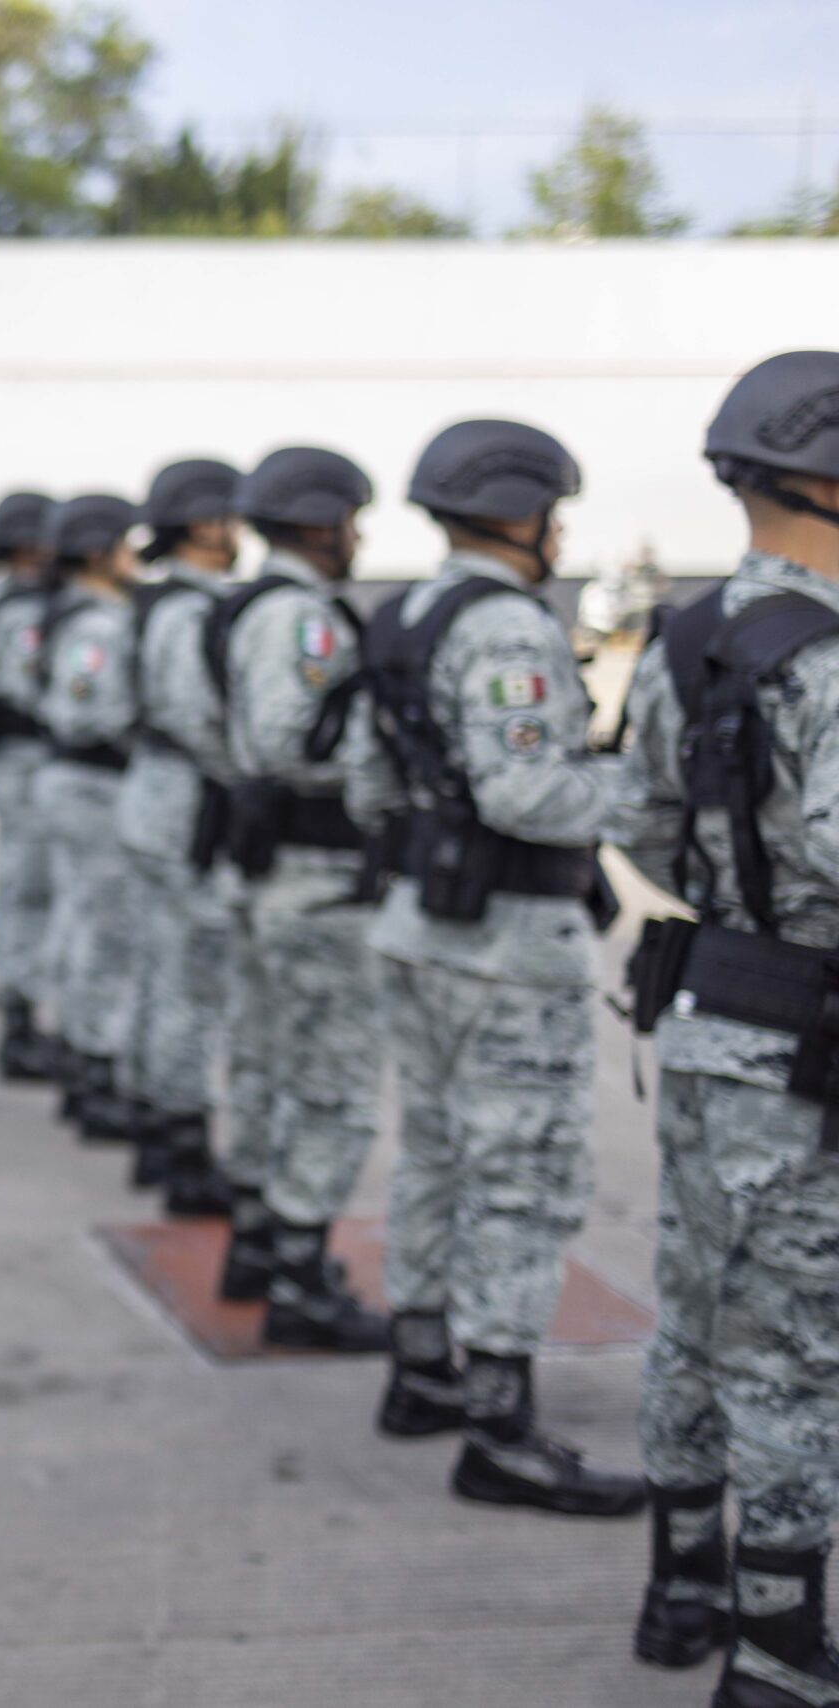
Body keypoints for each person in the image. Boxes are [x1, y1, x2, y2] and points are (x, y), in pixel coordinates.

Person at [340, 418, 641, 1517]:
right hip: (507, 940)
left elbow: (367, 780)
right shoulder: (510, 625)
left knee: (431, 1151)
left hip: (418, 922)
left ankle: (422, 1369)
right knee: (520, 1174)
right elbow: (527, 795)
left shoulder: (405, 612)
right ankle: (500, 1426)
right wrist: (654, 799)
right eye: (551, 508)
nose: (557, 529)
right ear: (517, 507)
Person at [607, 350, 839, 1699]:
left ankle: (680, 1586)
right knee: (800, 1344)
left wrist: (735, 903)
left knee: (693, 1311)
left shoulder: (684, 635)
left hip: (704, 1018)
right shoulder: (829, 658)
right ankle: (779, 1649)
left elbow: (632, 820)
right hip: (801, 1041)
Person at [211, 446, 390, 1350]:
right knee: (332, 1084)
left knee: (266, 1061)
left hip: (263, 865)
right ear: (320, 522)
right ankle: (299, 1279)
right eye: (351, 520)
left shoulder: (242, 605)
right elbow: (291, 740)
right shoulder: (300, 618)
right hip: (313, 877)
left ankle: (257, 1241)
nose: (356, 537)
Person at [113, 459, 242, 1215]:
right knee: (192, 986)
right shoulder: (194, 612)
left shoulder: (150, 604)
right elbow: (202, 721)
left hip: (155, 799)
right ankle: (183, 1149)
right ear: (202, 523)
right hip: (188, 810)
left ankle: (159, 1127)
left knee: (165, 978)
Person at [30, 495, 143, 1135]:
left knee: (83, 922)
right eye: (126, 545)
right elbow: (82, 710)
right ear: (100, 552)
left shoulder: (78, 612)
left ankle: (81, 1055)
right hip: (93, 785)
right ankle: (94, 1070)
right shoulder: (98, 623)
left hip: (74, 782)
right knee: (104, 932)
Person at [0, 492, 62, 1081]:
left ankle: (24, 1018)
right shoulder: (22, 609)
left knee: (27, 890)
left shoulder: (5, 599)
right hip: (28, 757)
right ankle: (23, 1025)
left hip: (20, 758)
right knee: (31, 892)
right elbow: (27, 689)